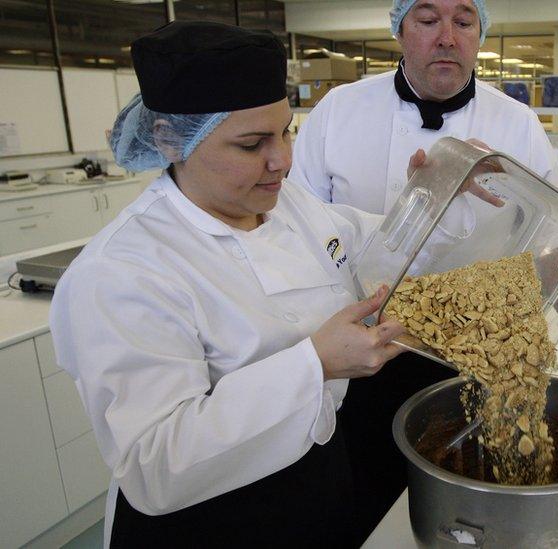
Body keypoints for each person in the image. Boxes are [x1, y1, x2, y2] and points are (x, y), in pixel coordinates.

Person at [49, 21, 434, 547]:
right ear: (170, 141)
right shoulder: (123, 272)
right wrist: (314, 364)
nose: (282, 162)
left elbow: (374, 242)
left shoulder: (285, 203)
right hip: (209, 520)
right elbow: (154, 465)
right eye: (252, 144)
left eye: (286, 131)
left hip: (315, 476)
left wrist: (435, 193)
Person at [288, 0, 558, 542]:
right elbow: (298, 232)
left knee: (474, 502)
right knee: (370, 509)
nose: (447, 36)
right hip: (361, 355)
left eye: (463, 21)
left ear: (480, 34)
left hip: (482, 358)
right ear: (399, 30)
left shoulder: (517, 123)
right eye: (427, 19)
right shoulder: (337, 113)